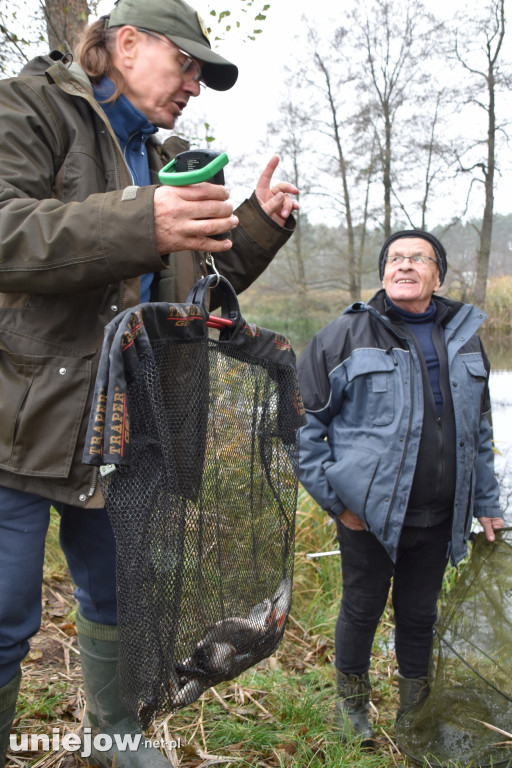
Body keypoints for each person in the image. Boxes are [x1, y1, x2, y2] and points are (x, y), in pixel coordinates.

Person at [0, 0, 299, 765]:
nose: (195, 84)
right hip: (22, 411)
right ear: (126, 43)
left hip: (127, 423)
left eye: (202, 71)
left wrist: (256, 224)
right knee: (4, 611)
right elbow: (8, 232)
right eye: (187, 63)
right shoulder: (28, 104)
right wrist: (144, 219)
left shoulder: (169, 158)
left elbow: (187, 290)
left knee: (122, 598)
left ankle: (114, 736)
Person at [298, 230, 503, 746]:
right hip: (367, 515)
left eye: (418, 258)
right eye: (395, 258)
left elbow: (479, 434)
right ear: (383, 273)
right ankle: (352, 709)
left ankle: (415, 713)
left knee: (419, 613)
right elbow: (300, 426)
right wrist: (338, 502)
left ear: (439, 274)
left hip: (438, 516)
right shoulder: (344, 336)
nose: (405, 265)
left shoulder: (465, 338)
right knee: (361, 607)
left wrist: (486, 505)